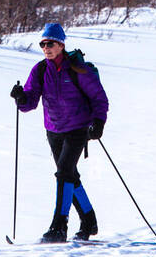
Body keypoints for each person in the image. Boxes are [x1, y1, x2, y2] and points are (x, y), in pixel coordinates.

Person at [10, 22, 109, 243]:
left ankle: (59, 226)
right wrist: (21, 98)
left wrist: (98, 123)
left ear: (61, 44)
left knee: (64, 173)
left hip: (78, 128)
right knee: (70, 176)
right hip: (53, 129)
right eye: (43, 44)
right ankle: (89, 221)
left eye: (51, 43)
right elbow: (30, 102)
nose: (46, 47)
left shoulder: (77, 68)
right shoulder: (40, 70)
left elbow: (99, 97)